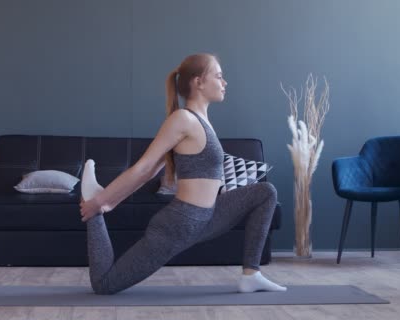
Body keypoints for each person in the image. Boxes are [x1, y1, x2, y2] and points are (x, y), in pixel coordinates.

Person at [79, 53, 286, 295]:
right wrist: (100, 203)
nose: (224, 82)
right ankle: (93, 207)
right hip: (181, 224)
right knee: (104, 285)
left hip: (209, 216)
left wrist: (111, 201)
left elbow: (151, 171)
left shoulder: (203, 120)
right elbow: (145, 169)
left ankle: (251, 274)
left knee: (265, 192)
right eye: (219, 76)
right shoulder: (182, 119)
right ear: (198, 82)